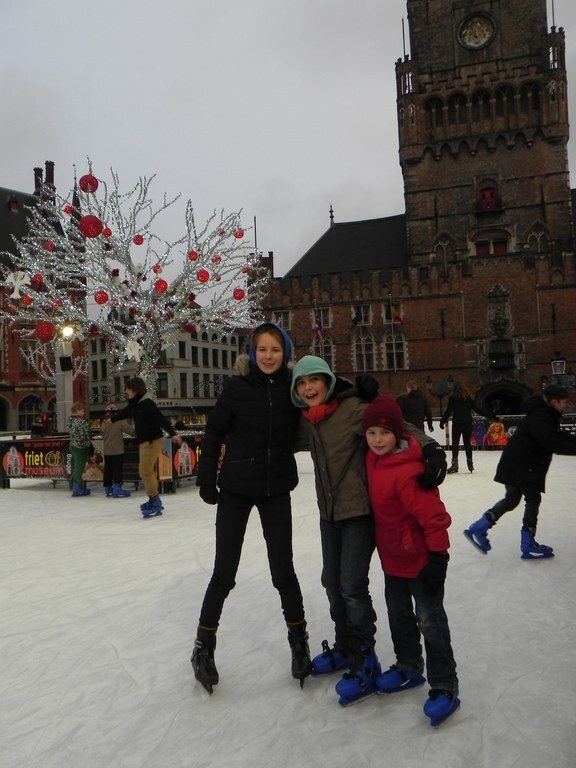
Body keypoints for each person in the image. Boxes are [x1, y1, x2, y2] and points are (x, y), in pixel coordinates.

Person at [290, 355, 448, 707]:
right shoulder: (305, 421)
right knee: (331, 582)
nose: (308, 388)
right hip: (328, 514)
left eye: (315, 380)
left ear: (329, 381)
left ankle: (365, 656)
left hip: (359, 512)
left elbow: (396, 425)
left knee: (351, 587)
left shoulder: (351, 410)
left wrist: (431, 447)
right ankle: (346, 646)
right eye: (301, 383)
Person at [192, 322, 311, 694]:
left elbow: (328, 393)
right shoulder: (236, 388)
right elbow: (213, 433)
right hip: (237, 490)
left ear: (285, 353)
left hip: (276, 488)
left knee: (283, 571)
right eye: (262, 349)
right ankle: (203, 647)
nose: (269, 356)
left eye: (275, 349)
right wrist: (206, 478)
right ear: (252, 352)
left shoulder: (294, 389)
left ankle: (298, 642)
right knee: (224, 573)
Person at [363, 394, 460, 727]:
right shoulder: (371, 460)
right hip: (392, 561)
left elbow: (434, 517)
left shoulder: (409, 472)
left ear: (399, 435)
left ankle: (444, 685)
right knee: (399, 617)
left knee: (430, 623)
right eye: (371, 433)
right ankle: (408, 667)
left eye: (384, 433)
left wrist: (438, 557)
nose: (377, 440)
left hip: (421, 562)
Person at [464, 384, 576, 559]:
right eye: (563, 403)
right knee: (533, 499)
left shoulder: (543, 414)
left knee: (512, 499)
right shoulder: (541, 416)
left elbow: (557, 435)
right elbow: (551, 442)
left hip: (515, 462)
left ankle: (479, 526)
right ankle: (528, 543)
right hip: (524, 465)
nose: (564, 406)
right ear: (554, 402)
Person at [110, 377, 182, 518]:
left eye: (127, 388)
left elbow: (160, 419)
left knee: (145, 470)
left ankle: (154, 500)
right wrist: (111, 419)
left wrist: (173, 434)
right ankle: (154, 499)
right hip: (145, 441)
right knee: (145, 471)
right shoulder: (135, 404)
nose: (125, 391)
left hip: (152, 440)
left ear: (135, 389)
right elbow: (125, 413)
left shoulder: (147, 403)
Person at [440, 381, 495, 474]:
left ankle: (455, 464)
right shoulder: (469, 399)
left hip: (457, 424)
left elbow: (448, 411)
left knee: (455, 444)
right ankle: (470, 464)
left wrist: (442, 421)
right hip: (468, 424)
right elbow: (478, 410)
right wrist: (491, 416)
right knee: (467, 444)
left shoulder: (453, 398)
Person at [101, 404, 134, 498]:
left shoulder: (103, 422)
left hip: (107, 450)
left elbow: (102, 433)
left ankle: (108, 489)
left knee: (108, 470)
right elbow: (131, 431)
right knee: (117, 470)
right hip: (117, 450)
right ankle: (117, 489)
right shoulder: (119, 421)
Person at [68, 401, 93, 497]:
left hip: (74, 445)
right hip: (80, 447)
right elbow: (84, 435)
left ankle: (80, 487)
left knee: (78, 467)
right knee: (79, 467)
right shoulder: (79, 422)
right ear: (77, 410)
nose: (84, 413)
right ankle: (77, 489)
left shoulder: (70, 420)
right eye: (82, 411)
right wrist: (88, 444)